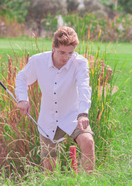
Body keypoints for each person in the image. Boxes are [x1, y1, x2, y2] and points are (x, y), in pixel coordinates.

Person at [15, 26, 95, 173]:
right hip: (48, 119)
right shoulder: (38, 61)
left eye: (70, 53)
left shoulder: (80, 63)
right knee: (50, 170)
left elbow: (85, 87)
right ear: (53, 47)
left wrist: (83, 113)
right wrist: (22, 99)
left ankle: (88, 182)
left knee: (88, 141)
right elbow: (22, 77)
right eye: (62, 52)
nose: (66, 57)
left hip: (73, 115)